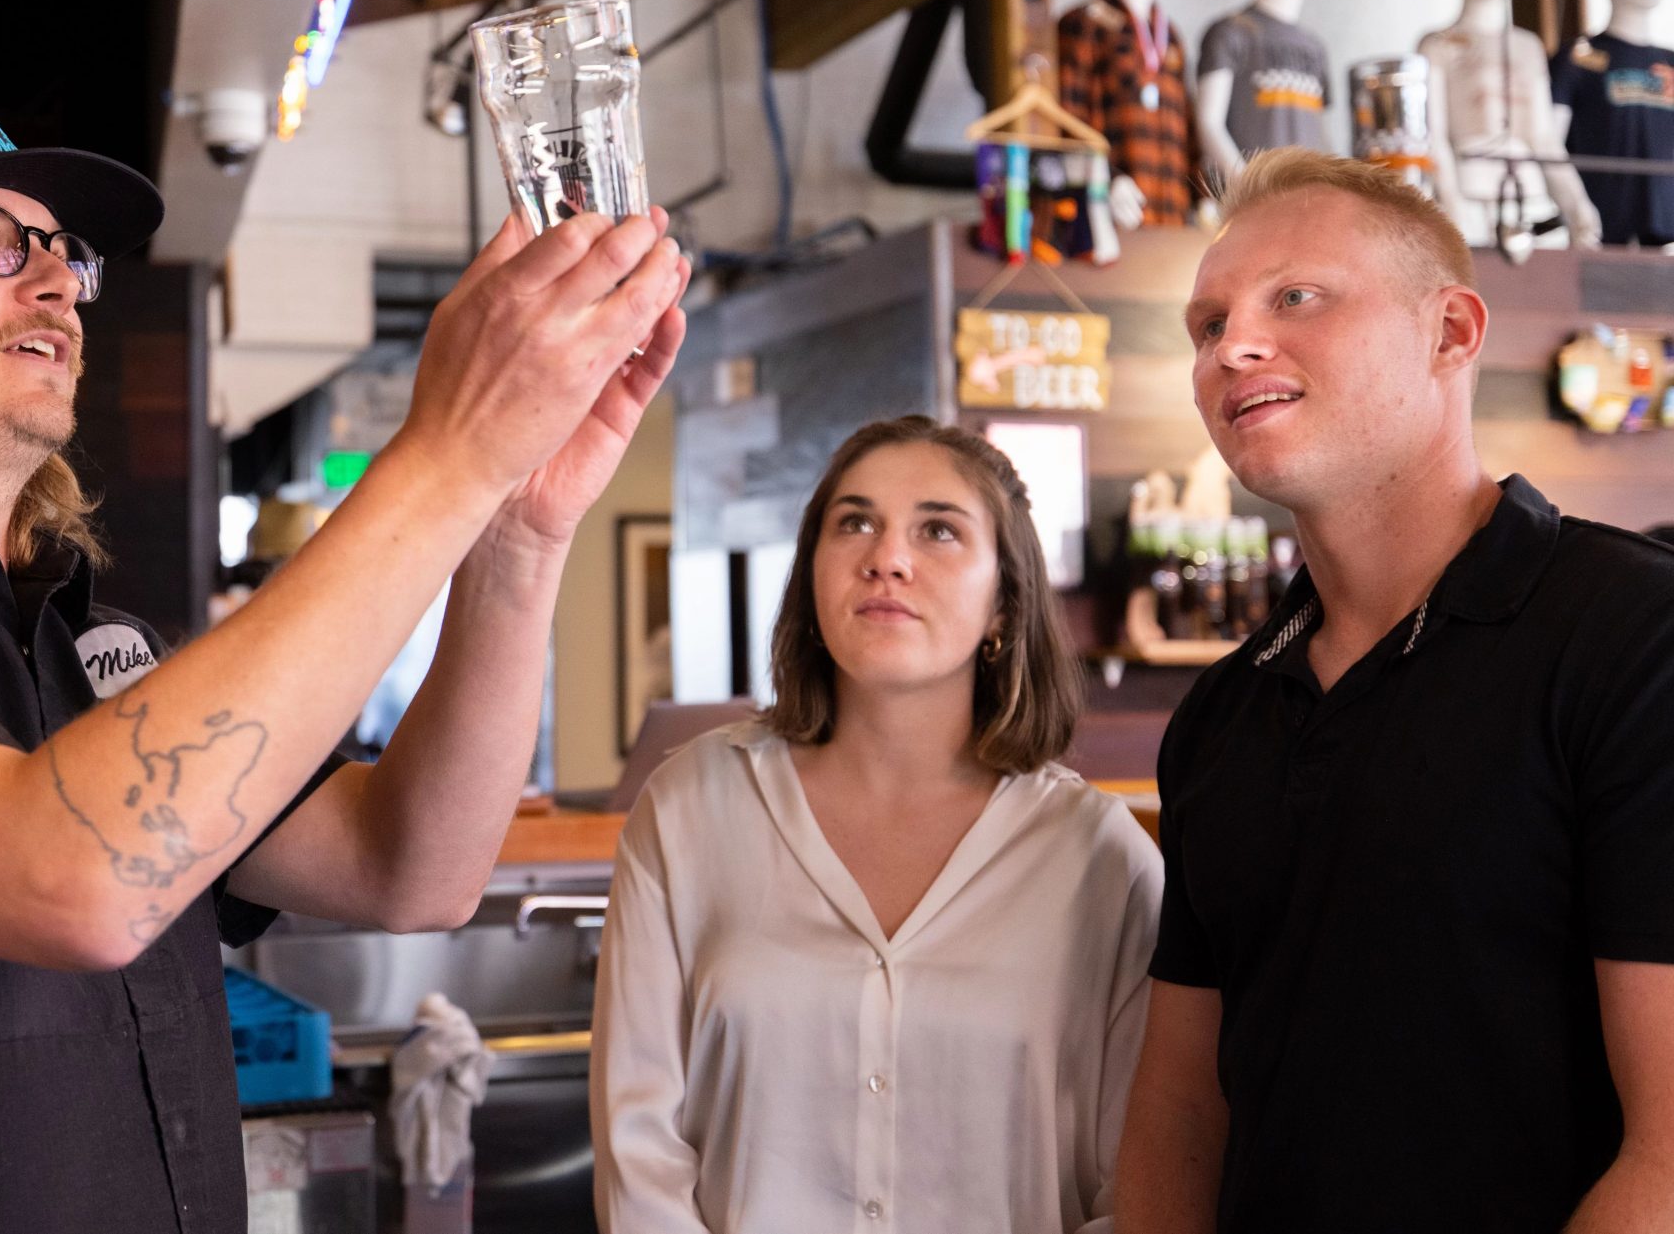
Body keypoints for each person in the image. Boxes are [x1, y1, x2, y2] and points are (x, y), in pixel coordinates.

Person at [0, 95, 689, 1233]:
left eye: (65, 255)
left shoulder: (100, 648)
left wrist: (514, 527)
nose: (55, 283)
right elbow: (73, 880)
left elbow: (411, 864)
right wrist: (447, 451)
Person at [1118, 147, 1674, 1231]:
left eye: (1298, 297)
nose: (1233, 344)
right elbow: (1182, 1114)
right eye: (1207, 321)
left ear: (1452, 332)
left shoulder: (1634, 637)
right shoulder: (1222, 716)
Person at [591, 416, 1162, 1232]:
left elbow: (1139, 1181)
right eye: (853, 522)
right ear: (813, 572)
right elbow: (639, 1157)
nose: (886, 557)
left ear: (1005, 600)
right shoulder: (689, 807)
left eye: (938, 530)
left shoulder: (1100, 857)